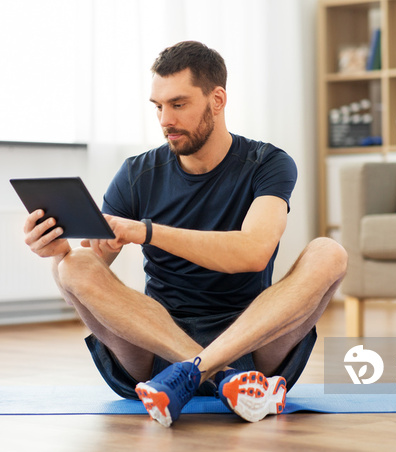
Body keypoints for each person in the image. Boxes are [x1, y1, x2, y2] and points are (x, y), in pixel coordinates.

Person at [24, 41, 347, 427]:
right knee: (72, 266)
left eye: (178, 105)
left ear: (217, 99)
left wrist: (147, 232)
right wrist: (57, 251)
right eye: (158, 107)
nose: (165, 120)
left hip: (249, 339)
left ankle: (199, 369)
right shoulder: (136, 173)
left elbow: (253, 252)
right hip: (156, 345)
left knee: (329, 252)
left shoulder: (268, 163)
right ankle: (223, 377)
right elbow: (89, 269)